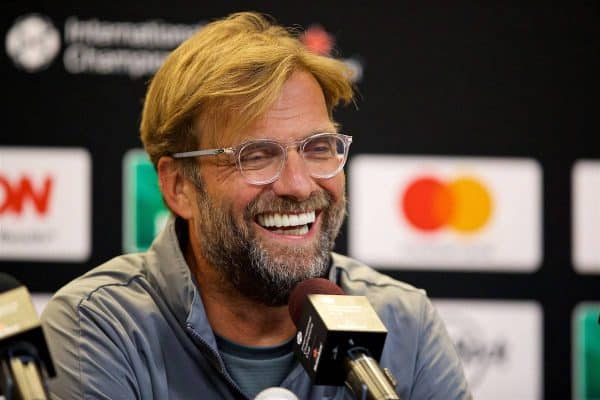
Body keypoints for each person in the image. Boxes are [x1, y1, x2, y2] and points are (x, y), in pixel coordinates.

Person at [41, 12, 471, 400]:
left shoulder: (403, 326)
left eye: (319, 148)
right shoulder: (97, 328)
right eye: (257, 155)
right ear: (178, 187)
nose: (299, 185)